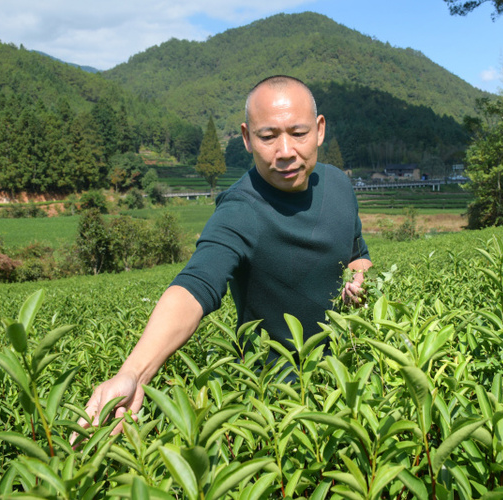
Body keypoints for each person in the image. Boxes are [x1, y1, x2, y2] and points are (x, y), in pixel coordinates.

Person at [76, 75, 372, 435]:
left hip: (352, 379)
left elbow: (358, 253)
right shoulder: (241, 209)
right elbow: (195, 285)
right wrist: (134, 373)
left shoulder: (339, 185)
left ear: (320, 129)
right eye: (268, 136)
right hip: (276, 405)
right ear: (247, 138)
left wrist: (359, 278)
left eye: (298, 133)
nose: (285, 151)